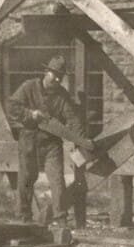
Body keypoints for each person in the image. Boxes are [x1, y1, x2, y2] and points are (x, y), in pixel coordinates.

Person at [7, 55, 91, 227]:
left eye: (61, 76)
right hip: (29, 139)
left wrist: (83, 140)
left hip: (51, 143)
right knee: (27, 177)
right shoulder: (28, 87)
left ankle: (60, 220)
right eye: (54, 74)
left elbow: (72, 119)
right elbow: (12, 107)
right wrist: (30, 114)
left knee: (57, 179)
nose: (57, 79)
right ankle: (23, 217)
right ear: (46, 72)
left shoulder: (62, 96)